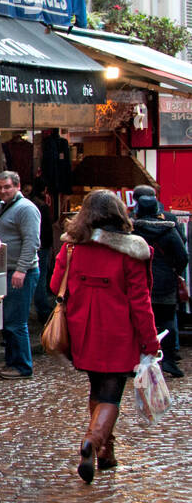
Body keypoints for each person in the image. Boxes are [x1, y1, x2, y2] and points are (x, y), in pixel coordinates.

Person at [50, 190, 161, 483]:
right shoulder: (132, 250)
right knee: (111, 395)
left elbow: (54, 284)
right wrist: (151, 342)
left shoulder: (72, 247)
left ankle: (105, 453)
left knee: (96, 390)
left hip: (82, 329)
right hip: (118, 332)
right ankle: (90, 441)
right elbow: (141, 302)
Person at [129, 184, 187, 378]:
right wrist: (173, 271)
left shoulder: (131, 230)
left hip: (138, 281)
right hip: (165, 282)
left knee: (136, 321)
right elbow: (182, 256)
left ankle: (135, 360)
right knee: (167, 320)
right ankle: (168, 360)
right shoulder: (169, 228)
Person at [0, 170, 41, 379]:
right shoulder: (3, 207)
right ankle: (12, 363)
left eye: (7, 187)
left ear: (17, 187)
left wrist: (21, 269)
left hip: (21, 272)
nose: (3, 191)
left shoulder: (26, 209)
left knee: (16, 321)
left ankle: (22, 366)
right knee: (8, 320)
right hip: (6, 270)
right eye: (0, 187)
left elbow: (32, 242)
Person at [27, 179, 57, 324]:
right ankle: (43, 310)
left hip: (36, 245)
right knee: (41, 278)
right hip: (42, 246)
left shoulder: (30, 204)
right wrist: (49, 246)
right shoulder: (42, 206)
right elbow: (46, 230)